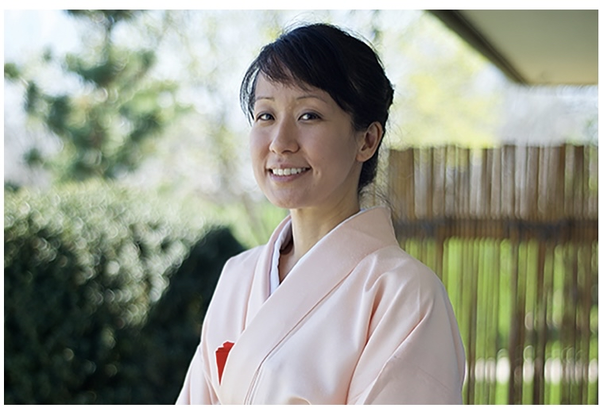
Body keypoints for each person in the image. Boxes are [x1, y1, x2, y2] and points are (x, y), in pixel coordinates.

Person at [176, 22, 465, 405]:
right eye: (266, 115)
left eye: (309, 115)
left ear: (367, 140)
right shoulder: (237, 276)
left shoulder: (404, 294)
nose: (280, 143)